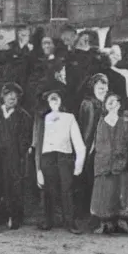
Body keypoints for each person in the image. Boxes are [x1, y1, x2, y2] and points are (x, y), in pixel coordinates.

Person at [0, 83, 32, 233]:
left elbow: (25, 140)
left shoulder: (23, 116)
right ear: (2, 96)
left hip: (13, 159)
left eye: (15, 95)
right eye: (9, 94)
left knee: (12, 188)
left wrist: (17, 153)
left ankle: (13, 218)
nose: (12, 97)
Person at [33, 88, 86, 234]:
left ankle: (70, 222)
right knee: (48, 190)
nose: (54, 101)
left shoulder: (69, 117)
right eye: (51, 99)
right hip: (47, 157)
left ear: (61, 101)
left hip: (65, 157)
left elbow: (78, 141)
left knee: (67, 189)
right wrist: (38, 168)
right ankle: (48, 221)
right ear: (47, 102)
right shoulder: (42, 119)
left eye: (56, 98)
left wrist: (79, 164)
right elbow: (38, 144)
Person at [90, 93, 128, 234]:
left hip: (120, 161)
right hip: (103, 162)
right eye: (109, 102)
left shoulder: (126, 120)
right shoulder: (100, 121)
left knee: (121, 190)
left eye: (114, 101)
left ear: (119, 104)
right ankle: (105, 223)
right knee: (104, 191)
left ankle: (121, 222)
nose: (112, 104)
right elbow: (94, 142)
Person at [77, 73, 109, 216]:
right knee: (88, 176)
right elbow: (83, 125)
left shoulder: (109, 103)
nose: (102, 89)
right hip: (90, 144)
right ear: (93, 87)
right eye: (99, 86)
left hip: (105, 145)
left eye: (105, 86)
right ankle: (86, 210)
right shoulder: (87, 103)